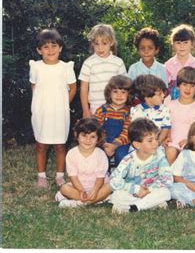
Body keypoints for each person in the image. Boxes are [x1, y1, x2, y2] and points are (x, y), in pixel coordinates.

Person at [29, 29, 77, 188]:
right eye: (45, 47)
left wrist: (64, 104)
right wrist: (38, 106)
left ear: (60, 48)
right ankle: (41, 176)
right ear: (39, 50)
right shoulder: (36, 67)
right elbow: (34, 87)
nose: (50, 50)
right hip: (42, 111)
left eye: (54, 46)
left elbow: (72, 88)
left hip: (59, 113)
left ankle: (59, 176)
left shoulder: (66, 67)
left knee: (60, 145)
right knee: (41, 144)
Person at [109, 118, 173, 214]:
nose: (156, 143)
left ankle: (134, 208)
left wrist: (148, 190)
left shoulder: (160, 157)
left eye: (156, 138)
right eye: (150, 141)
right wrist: (136, 189)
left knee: (166, 192)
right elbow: (114, 181)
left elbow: (167, 179)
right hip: (133, 194)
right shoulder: (128, 159)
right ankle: (150, 205)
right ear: (137, 144)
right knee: (116, 195)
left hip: (151, 192)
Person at [55, 118, 112, 208]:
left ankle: (79, 203)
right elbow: (73, 177)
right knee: (64, 188)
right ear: (77, 136)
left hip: (98, 187)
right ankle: (95, 201)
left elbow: (100, 178)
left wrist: (95, 191)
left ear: (98, 139)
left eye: (92, 137)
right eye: (84, 136)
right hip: (79, 187)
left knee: (110, 186)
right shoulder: (71, 154)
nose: (88, 140)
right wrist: (81, 191)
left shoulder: (101, 155)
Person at [79, 23, 126, 118]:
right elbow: (84, 88)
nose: (100, 47)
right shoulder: (88, 63)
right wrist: (85, 110)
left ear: (111, 42)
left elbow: (124, 86)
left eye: (104, 43)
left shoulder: (118, 62)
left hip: (116, 108)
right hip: (95, 109)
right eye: (96, 44)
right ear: (92, 44)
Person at [166, 67, 195, 164]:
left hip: (190, 143)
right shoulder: (169, 105)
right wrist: (166, 137)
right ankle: (170, 176)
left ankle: (184, 176)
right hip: (172, 143)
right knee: (170, 152)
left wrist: (190, 140)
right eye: (184, 85)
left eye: (192, 86)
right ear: (178, 86)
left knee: (188, 154)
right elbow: (165, 124)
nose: (188, 89)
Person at [94, 75, 133, 165]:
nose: (119, 95)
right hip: (103, 142)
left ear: (129, 94)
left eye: (123, 92)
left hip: (122, 143)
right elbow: (96, 130)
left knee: (122, 156)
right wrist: (104, 143)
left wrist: (115, 145)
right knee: (99, 156)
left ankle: (120, 176)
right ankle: (103, 176)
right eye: (115, 91)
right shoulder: (101, 110)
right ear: (109, 93)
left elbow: (127, 132)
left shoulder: (130, 112)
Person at [131, 74, 171, 146]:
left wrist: (157, 143)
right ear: (147, 96)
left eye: (163, 92)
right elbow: (135, 133)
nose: (163, 95)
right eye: (159, 94)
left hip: (157, 145)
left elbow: (165, 129)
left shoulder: (164, 110)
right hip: (141, 146)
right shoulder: (136, 111)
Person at [165, 24, 195, 100]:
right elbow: (165, 89)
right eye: (178, 43)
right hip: (173, 104)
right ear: (173, 45)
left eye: (185, 42)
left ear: (192, 44)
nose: (182, 46)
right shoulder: (168, 65)